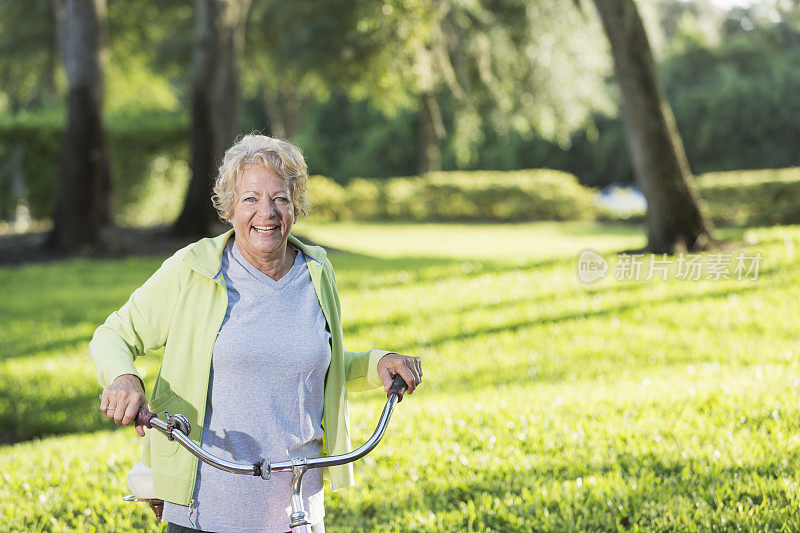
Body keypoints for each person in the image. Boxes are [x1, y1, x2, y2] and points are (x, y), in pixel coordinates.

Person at [89, 134, 423, 533]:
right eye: (250, 199)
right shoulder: (195, 270)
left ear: (295, 206)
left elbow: (318, 363)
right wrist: (123, 377)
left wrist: (376, 365)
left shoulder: (316, 272)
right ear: (229, 208)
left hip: (297, 507)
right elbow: (113, 334)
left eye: (280, 198)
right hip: (205, 509)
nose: (266, 212)